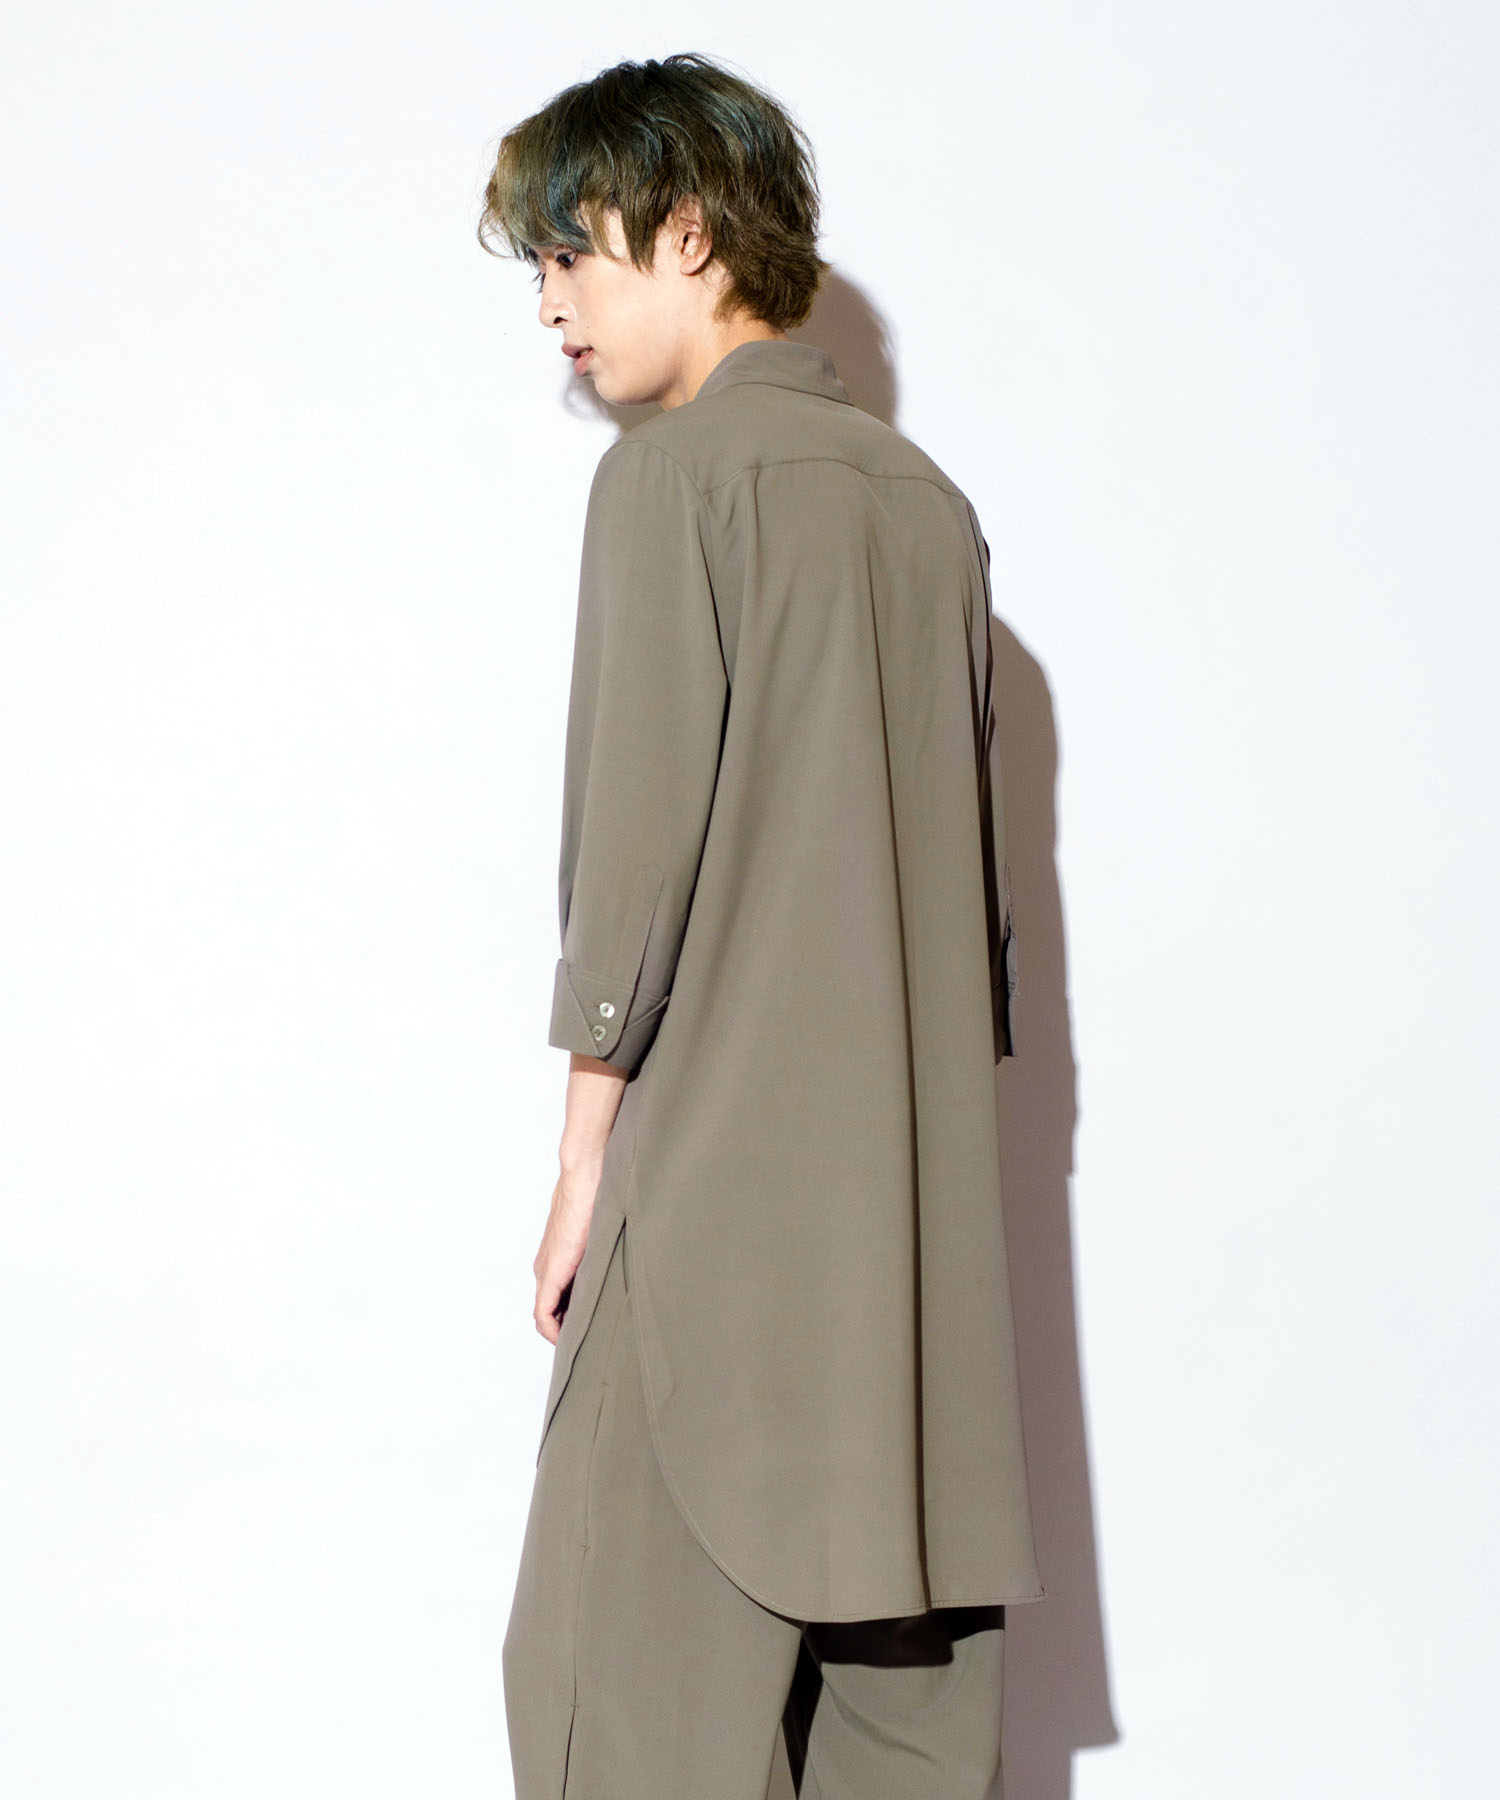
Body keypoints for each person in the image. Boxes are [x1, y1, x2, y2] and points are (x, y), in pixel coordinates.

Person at [477, 51, 1043, 1800]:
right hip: (914, 1273)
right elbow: (981, 930)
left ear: (688, 232)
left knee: (612, 1719)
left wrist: (583, 1158)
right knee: (903, 1746)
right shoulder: (927, 507)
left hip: (713, 1217)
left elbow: (631, 871)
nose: (550, 307)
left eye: (569, 253)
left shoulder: (674, 481)